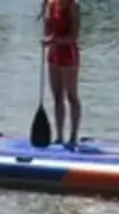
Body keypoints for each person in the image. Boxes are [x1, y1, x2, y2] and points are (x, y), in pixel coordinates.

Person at [42, 0, 80, 148]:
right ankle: (59, 136)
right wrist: (45, 15)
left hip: (68, 54)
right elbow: (48, 32)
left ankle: (73, 136)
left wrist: (53, 41)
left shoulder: (73, 6)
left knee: (71, 96)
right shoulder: (52, 4)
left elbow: (73, 37)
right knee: (57, 96)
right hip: (54, 53)